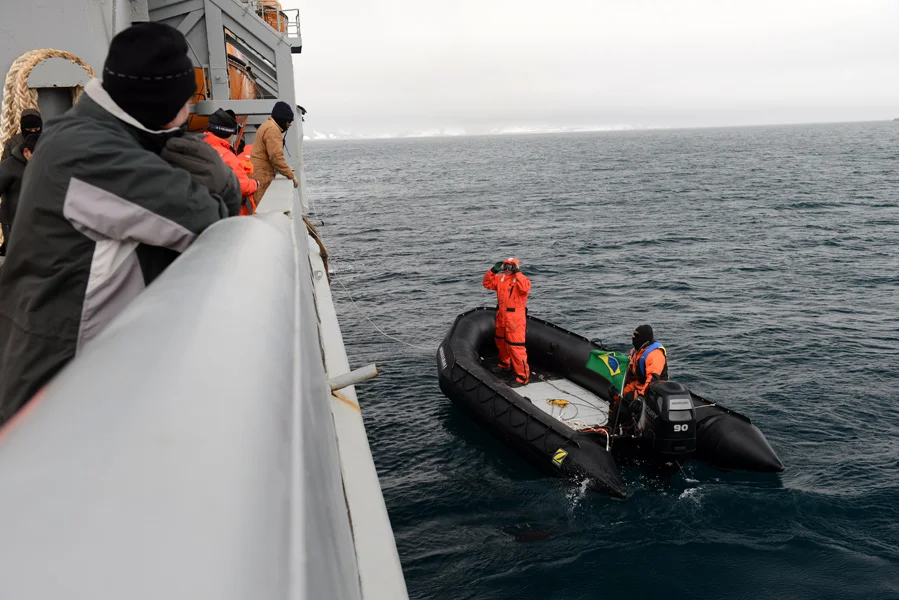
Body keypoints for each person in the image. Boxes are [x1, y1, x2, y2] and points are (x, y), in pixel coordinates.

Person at [0, 22, 241, 423]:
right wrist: (223, 182)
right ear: (161, 106)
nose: (190, 112)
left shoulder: (76, 133)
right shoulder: (94, 157)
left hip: (60, 363)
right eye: (186, 101)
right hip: (57, 385)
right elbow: (209, 222)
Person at [483, 257, 531, 387]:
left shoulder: (521, 280)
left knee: (516, 348)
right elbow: (487, 283)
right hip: (502, 316)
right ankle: (505, 364)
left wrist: (518, 272)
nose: (507, 269)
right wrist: (493, 270)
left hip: (515, 319)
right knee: (501, 342)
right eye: (506, 266)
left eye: (510, 266)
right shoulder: (500, 279)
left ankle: (523, 376)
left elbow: (525, 289)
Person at [203, 108, 258, 213]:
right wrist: (255, 183)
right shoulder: (227, 156)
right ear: (228, 134)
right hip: (230, 214)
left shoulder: (198, 146)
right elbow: (243, 187)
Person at [249, 101, 299, 203]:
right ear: (283, 119)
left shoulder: (267, 125)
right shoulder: (273, 130)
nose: (290, 124)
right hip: (262, 177)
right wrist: (291, 175)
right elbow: (276, 157)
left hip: (258, 175)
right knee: (263, 209)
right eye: (289, 121)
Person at [0, 133, 39, 254]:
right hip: (13, 222)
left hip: (36, 220)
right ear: (27, 152)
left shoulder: (41, 165)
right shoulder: (8, 167)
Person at [622, 324, 668, 402]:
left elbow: (652, 379)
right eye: (633, 334)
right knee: (616, 396)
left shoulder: (655, 355)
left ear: (644, 337)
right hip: (639, 383)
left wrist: (640, 397)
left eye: (636, 335)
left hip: (653, 390)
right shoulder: (635, 351)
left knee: (626, 401)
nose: (633, 337)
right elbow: (630, 369)